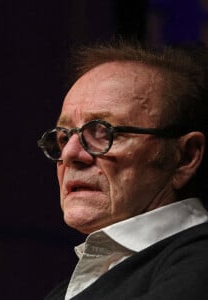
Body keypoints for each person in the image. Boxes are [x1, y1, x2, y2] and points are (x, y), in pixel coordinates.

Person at [38, 41, 208, 299]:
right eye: (63, 136)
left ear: (185, 157)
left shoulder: (198, 262)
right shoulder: (63, 292)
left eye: (102, 132)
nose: (71, 154)